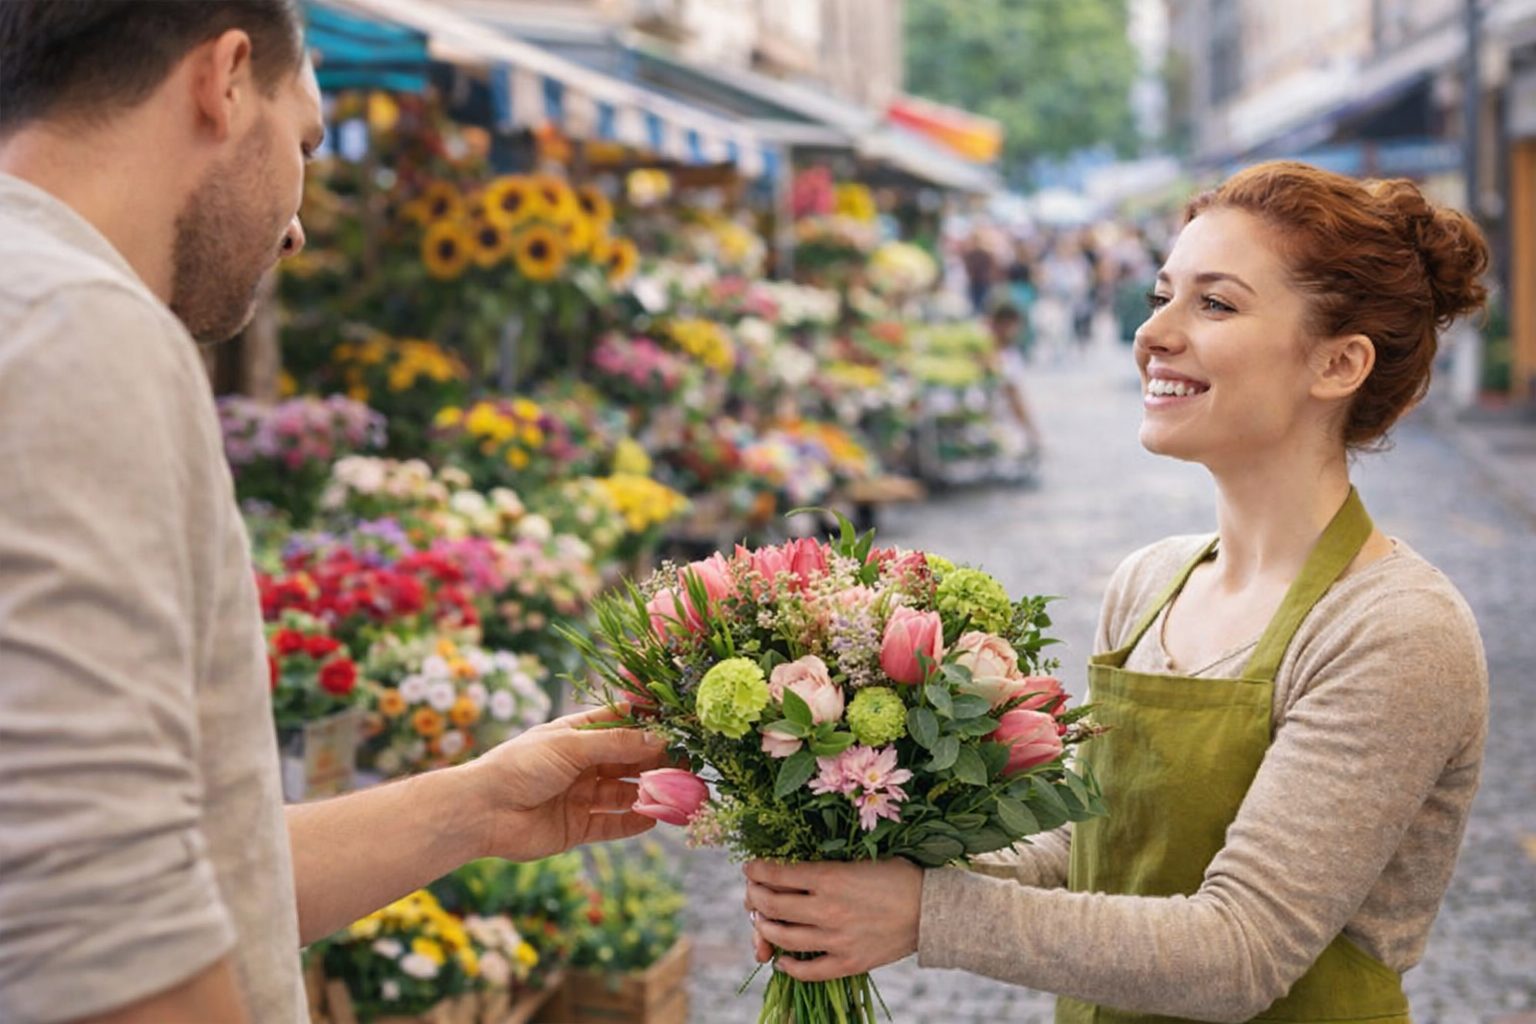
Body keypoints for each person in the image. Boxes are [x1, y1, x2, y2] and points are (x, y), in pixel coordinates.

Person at [0, 5, 664, 1023]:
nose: (299, 224)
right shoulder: (75, 328)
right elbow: (105, 945)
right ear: (225, 81)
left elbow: (168, 870)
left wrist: (474, 805)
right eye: (306, 140)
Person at [740, 161, 1490, 1021]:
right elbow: (1088, 843)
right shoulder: (1150, 586)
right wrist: (859, 878)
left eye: (1215, 304)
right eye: (1160, 294)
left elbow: (1240, 951)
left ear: (1339, 362)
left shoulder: (1393, 628)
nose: (1153, 334)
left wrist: (924, 914)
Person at [985, 303, 1044, 455]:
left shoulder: (1005, 355)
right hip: (991, 421)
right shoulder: (1007, 358)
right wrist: (1032, 433)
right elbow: (1014, 397)